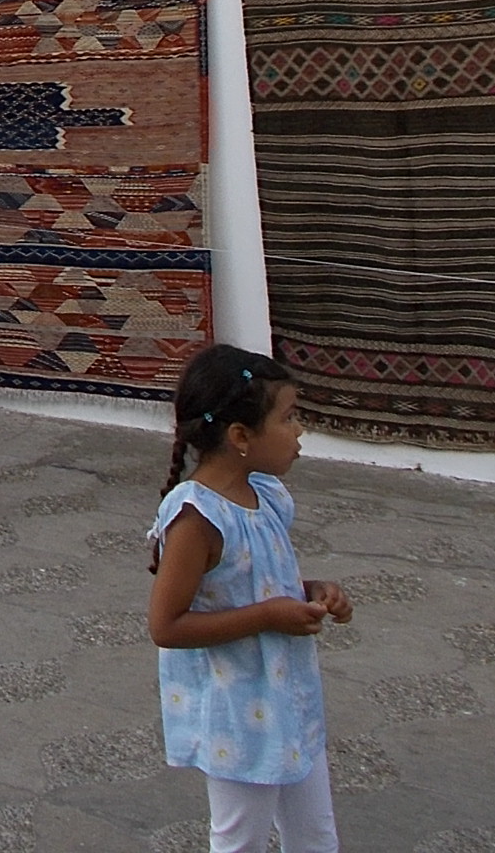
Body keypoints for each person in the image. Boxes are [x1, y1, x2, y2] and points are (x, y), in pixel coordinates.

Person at [147, 344, 352, 853]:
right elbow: (166, 626)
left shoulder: (266, 494)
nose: (300, 430)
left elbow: (258, 578)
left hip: (290, 700)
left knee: (315, 834)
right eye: (289, 417)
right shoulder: (197, 518)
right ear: (240, 436)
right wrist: (268, 616)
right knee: (241, 840)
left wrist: (310, 592)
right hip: (238, 716)